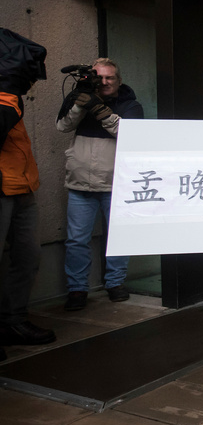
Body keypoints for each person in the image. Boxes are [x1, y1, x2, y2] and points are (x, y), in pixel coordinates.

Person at [56, 58, 143, 311]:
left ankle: (115, 283)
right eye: (99, 77)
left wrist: (101, 111)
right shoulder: (79, 101)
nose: (104, 82)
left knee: (117, 237)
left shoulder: (130, 105)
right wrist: (80, 106)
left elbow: (130, 135)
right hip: (80, 183)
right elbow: (62, 126)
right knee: (76, 241)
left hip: (116, 184)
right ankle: (77, 289)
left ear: (119, 80)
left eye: (109, 78)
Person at [0, 28, 54, 357]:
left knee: (27, 257)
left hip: (23, 187)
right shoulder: (6, 99)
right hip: (1, 189)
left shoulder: (10, 97)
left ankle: (13, 320)